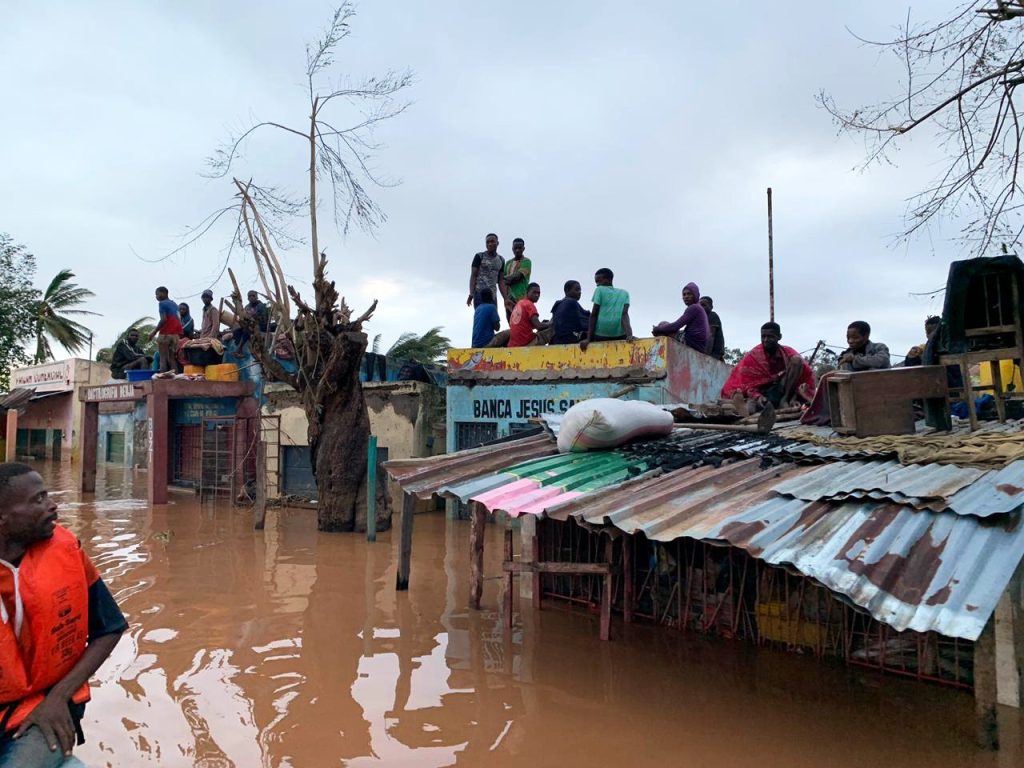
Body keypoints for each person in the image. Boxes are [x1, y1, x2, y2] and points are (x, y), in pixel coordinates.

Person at [0, 463, 127, 767]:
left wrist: (59, 697)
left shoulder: (67, 553)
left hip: (47, 706)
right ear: (2, 519)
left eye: (47, 495)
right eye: (38, 500)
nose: (52, 505)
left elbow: (110, 628)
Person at [800, 321, 891, 425]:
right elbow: (846, 377)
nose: (850, 341)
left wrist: (855, 360)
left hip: (880, 393)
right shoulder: (845, 355)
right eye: (848, 338)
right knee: (828, 377)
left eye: (855, 337)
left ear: (866, 335)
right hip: (856, 396)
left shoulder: (879, 348)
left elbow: (882, 361)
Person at [722, 322, 815, 415]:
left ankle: (784, 401)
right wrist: (758, 397)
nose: (766, 340)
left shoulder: (788, 353)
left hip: (783, 391)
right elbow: (747, 385)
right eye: (763, 336)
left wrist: (792, 398)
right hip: (763, 393)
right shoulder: (753, 357)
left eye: (770, 336)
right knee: (752, 406)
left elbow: (803, 378)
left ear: (779, 337)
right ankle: (741, 408)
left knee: (797, 361)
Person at [580, 268, 635, 351]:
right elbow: (624, 315)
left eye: (599, 281)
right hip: (620, 335)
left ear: (608, 280)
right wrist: (629, 335)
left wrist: (588, 339)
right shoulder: (624, 293)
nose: (597, 285)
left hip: (601, 335)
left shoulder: (599, 290)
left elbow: (594, 314)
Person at [652, 282, 709, 352]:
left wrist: (657, 329)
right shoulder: (699, 308)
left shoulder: (694, 308)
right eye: (684, 294)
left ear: (695, 295)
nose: (686, 297)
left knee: (662, 325)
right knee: (665, 328)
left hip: (692, 343)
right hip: (700, 345)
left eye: (689, 294)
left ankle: (658, 354)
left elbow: (675, 326)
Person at [148, 286, 183, 374]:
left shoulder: (162, 303)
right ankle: (175, 379)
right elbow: (179, 320)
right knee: (172, 359)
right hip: (175, 335)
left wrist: (154, 332)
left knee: (163, 358)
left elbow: (163, 319)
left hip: (165, 334)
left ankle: (162, 381)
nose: (156, 296)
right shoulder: (175, 304)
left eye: (157, 293)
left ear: (164, 293)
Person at [466, 233, 507, 310]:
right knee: (482, 318)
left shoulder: (501, 260)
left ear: (497, 243)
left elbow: (501, 280)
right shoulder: (479, 256)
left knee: (493, 319)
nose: (490, 244)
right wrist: (471, 293)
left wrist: (506, 298)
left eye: (492, 241)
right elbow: (473, 275)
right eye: (487, 242)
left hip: (492, 296)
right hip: (479, 294)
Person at [508, 283, 551, 347]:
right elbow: (538, 326)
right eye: (534, 292)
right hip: (524, 343)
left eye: (538, 293)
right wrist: (551, 323)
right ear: (527, 292)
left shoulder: (520, 303)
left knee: (544, 325)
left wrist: (543, 324)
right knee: (553, 328)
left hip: (513, 343)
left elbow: (523, 324)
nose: (537, 295)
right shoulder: (529, 305)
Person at [550, 280, 591, 345]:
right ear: (567, 290)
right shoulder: (571, 302)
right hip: (569, 338)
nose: (580, 292)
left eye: (580, 290)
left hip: (556, 339)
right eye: (577, 290)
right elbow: (583, 322)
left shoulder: (557, 304)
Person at [502, 238, 532, 318]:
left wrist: (503, 280)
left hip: (521, 297)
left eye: (520, 248)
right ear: (512, 249)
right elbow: (503, 280)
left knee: (521, 320)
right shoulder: (508, 263)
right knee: (511, 321)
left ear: (523, 249)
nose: (517, 250)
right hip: (508, 298)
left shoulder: (526, 261)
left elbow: (517, 277)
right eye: (515, 248)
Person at [700, 296, 726, 360]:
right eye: (699, 306)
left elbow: (711, 336)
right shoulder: (702, 318)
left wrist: (705, 356)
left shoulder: (712, 315)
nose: (701, 308)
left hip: (714, 353)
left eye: (704, 305)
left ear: (711, 307)